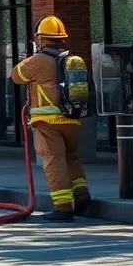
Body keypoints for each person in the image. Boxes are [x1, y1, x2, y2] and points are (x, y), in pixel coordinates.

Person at [11, 15, 92, 222]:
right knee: (71, 157)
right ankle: (81, 194)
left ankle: (63, 207)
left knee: (54, 161)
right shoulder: (70, 60)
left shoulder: (37, 61)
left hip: (48, 123)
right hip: (71, 119)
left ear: (40, 39)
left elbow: (16, 76)